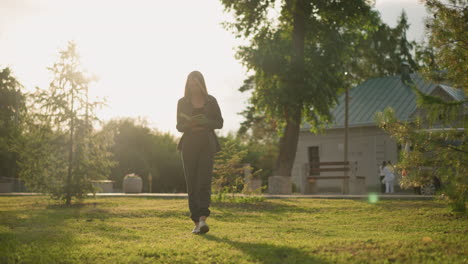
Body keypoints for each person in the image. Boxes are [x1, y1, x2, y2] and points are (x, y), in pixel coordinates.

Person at [176, 71, 223, 234]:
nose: (194, 87)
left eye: (196, 84)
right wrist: (189, 124)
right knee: (192, 183)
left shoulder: (211, 101)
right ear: (187, 85)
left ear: (202, 84)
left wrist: (206, 121)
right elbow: (179, 126)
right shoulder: (182, 102)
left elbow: (220, 122)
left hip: (206, 143)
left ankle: (203, 220)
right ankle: (196, 221)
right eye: (191, 84)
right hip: (189, 144)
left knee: (204, 181)